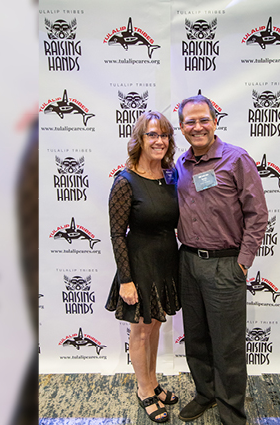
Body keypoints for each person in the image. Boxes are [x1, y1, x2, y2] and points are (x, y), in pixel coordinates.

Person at [175, 95, 268, 424]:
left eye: (204, 120)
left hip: (225, 265)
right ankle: (206, 394)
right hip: (187, 262)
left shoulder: (236, 159)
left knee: (227, 345)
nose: (197, 127)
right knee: (196, 338)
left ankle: (231, 414)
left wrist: (242, 261)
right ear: (182, 127)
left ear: (215, 121)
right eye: (190, 122)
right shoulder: (180, 165)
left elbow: (258, 216)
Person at [105, 111, 181, 423]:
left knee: (155, 327)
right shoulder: (126, 181)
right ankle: (143, 390)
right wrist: (126, 279)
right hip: (139, 264)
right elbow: (116, 233)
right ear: (140, 140)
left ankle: (152, 381)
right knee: (140, 332)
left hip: (166, 262)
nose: (159, 141)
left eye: (164, 135)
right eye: (152, 134)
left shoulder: (170, 175)